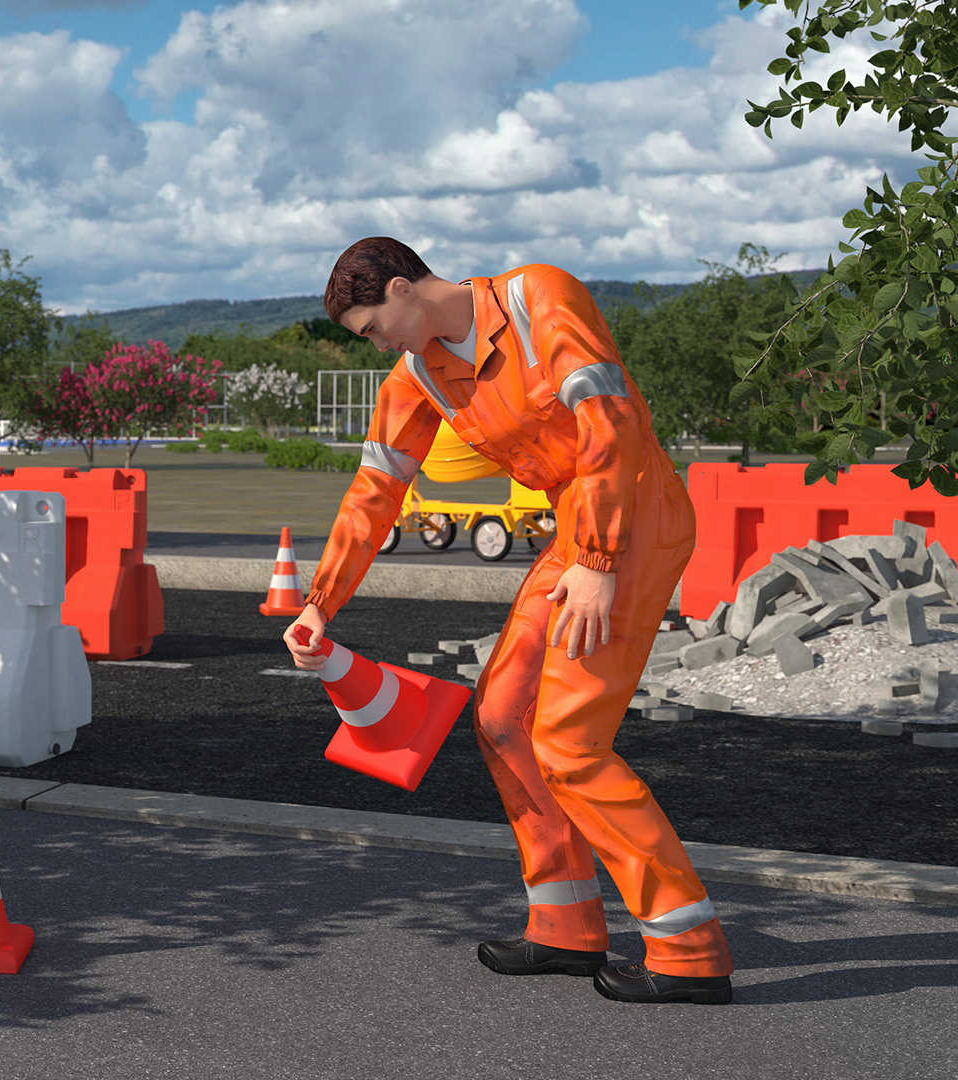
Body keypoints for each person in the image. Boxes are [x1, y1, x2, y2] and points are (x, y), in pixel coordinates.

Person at [284, 237, 734, 1005]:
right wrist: (320, 603)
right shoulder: (420, 373)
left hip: (637, 519)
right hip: (576, 533)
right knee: (499, 718)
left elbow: (612, 426)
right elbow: (373, 496)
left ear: (402, 289)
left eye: (370, 328)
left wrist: (596, 562)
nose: (377, 344)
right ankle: (566, 926)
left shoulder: (539, 298)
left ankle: (689, 949)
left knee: (569, 742)